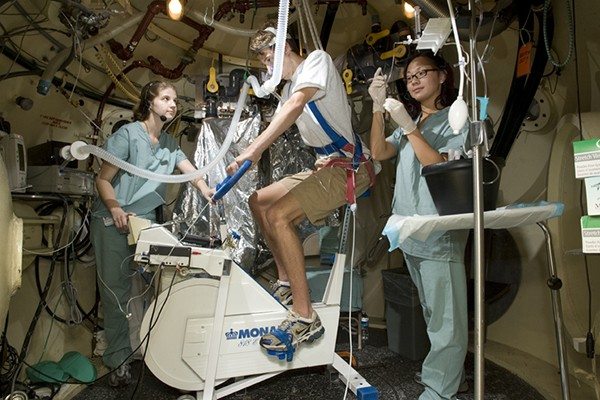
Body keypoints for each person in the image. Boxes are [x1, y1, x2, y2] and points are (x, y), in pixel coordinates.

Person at [226, 23, 376, 358]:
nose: (267, 66)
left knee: (279, 217)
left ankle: (307, 317)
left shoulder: (316, 63)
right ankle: (285, 283)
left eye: (270, 57)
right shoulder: (292, 85)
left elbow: (295, 107)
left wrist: (255, 151)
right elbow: (283, 115)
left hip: (350, 168)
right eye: (263, 61)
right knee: (258, 200)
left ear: (288, 50)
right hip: (326, 166)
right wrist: (243, 156)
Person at [90, 80, 213, 386]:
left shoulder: (170, 145)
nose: (173, 104)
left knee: (166, 283)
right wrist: (116, 207)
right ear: (150, 102)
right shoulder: (127, 135)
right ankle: (118, 361)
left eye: (175, 100)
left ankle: (162, 352)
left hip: (144, 223)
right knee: (116, 293)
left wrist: (207, 190)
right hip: (113, 221)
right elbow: (103, 180)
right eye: (166, 98)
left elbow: (192, 172)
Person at [368, 51, 469, 400]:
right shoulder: (416, 124)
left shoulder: (455, 119)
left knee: (447, 320)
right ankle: (447, 376)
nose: (412, 80)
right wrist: (378, 109)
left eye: (421, 72)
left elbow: (441, 164)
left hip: (439, 233)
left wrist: (409, 128)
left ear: (442, 75)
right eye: (408, 75)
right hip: (411, 233)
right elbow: (379, 151)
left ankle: (440, 390)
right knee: (432, 312)